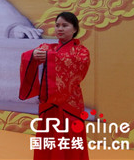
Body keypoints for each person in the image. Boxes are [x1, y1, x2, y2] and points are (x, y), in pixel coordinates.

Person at [19, 12, 90, 160]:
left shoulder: (81, 52)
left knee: (70, 141)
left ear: (75, 29)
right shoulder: (47, 47)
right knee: (48, 140)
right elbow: (27, 56)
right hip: (49, 104)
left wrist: (51, 58)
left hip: (70, 104)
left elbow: (78, 65)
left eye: (65, 25)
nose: (60, 29)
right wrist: (32, 55)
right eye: (57, 25)